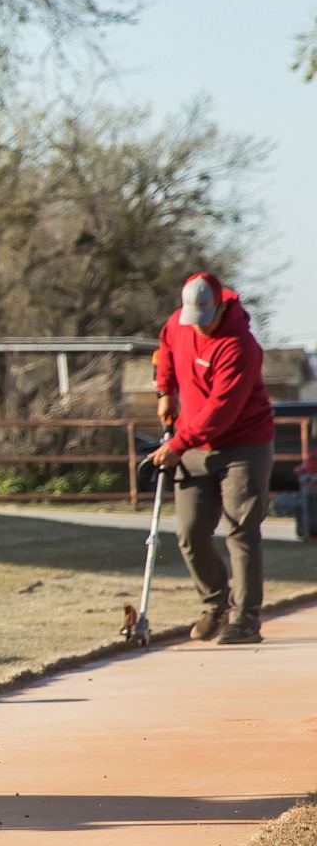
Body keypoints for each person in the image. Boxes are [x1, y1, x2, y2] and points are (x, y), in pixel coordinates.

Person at [149, 272, 275, 645]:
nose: (199, 327)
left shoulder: (240, 346)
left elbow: (222, 410)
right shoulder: (179, 323)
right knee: (189, 532)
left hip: (243, 445)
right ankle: (216, 603)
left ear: (220, 307)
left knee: (240, 531)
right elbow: (167, 349)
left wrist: (177, 445)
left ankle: (246, 619)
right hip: (193, 445)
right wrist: (165, 390)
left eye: (206, 319)